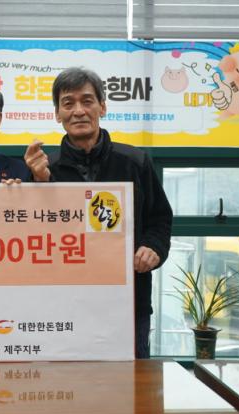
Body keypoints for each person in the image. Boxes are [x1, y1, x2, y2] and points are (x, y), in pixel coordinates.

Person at [24, 67, 173, 358]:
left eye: (87, 101)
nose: (78, 111)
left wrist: (153, 247)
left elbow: (160, 218)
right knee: (68, 380)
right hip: (63, 306)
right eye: (68, 103)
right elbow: (34, 232)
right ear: (57, 114)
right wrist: (38, 183)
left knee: (130, 382)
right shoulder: (44, 169)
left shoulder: (135, 161)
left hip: (129, 304)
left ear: (102, 107)